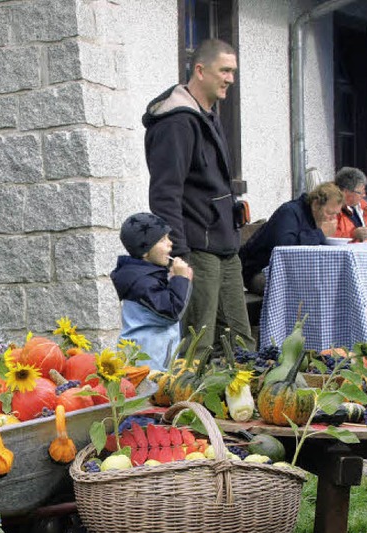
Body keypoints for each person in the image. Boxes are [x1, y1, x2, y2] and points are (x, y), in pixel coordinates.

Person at [142, 39, 254, 355]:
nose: (231, 78)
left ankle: (241, 404)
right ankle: (186, 404)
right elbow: (164, 194)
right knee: (197, 346)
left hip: (225, 246)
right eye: (225, 70)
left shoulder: (207, 116)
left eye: (233, 71)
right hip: (196, 249)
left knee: (240, 343)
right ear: (201, 70)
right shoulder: (177, 121)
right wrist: (178, 253)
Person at [111, 212, 193, 371]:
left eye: (168, 237)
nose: (170, 243)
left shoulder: (146, 276)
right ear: (145, 251)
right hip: (147, 365)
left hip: (154, 359)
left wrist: (176, 279)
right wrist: (180, 280)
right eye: (162, 240)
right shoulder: (142, 282)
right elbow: (171, 312)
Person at [240, 182, 344, 295]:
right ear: (315, 204)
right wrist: (320, 233)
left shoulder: (316, 217)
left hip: (293, 272)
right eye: (329, 213)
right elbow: (285, 248)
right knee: (307, 287)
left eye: (336, 214)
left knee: (334, 282)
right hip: (260, 271)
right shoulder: (289, 212)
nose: (333, 218)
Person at [333, 167, 367, 242]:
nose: (364, 195)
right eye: (360, 192)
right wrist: (352, 235)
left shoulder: (362, 208)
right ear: (345, 192)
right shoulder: (332, 209)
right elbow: (328, 236)